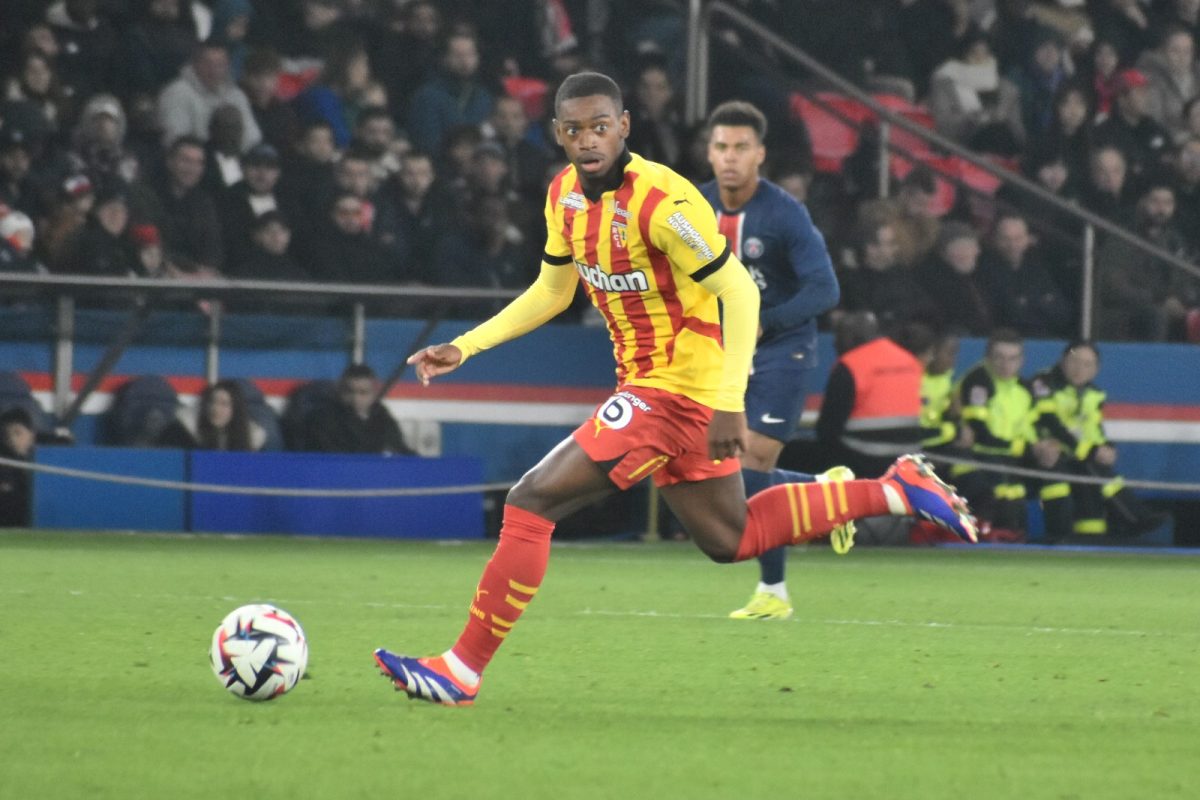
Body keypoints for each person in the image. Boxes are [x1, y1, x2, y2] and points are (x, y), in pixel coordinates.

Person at [376, 72, 977, 707]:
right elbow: (553, 291)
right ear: (557, 134)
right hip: (654, 388)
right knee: (730, 539)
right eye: (574, 129)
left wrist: (728, 400)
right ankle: (894, 490)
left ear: (624, 127)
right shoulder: (562, 199)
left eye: (600, 126)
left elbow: (739, 291)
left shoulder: (664, 200)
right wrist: (464, 346)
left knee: (530, 503)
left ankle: (461, 669)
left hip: (675, 392)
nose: (588, 140)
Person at [694, 100, 844, 621]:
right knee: (720, 471)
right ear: (709, 153)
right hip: (716, 351)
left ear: (760, 154)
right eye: (720, 147)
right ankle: (827, 495)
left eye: (740, 148)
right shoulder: (692, 208)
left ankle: (773, 592)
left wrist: (767, 321)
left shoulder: (784, 213)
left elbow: (825, 288)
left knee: (753, 461)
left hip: (783, 348)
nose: (730, 157)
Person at [1030, 340, 1168, 541]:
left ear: (1096, 370)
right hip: (1041, 454)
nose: (1080, 369)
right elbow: (1050, 423)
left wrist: (1106, 448)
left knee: (1095, 473)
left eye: (1087, 365)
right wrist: (1092, 450)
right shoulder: (1043, 382)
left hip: (1074, 457)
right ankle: (1134, 519)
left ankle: (1094, 539)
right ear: (1063, 361)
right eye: (1075, 361)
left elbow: (1094, 430)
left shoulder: (1093, 394)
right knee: (1087, 468)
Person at [953, 329, 1056, 538]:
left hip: (1010, 460)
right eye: (998, 357)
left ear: (1022, 361)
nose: (1005, 364)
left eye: (1012, 358)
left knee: (1038, 488)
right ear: (987, 358)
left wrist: (1043, 446)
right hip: (976, 458)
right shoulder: (978, 381)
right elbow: (980, 433)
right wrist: (1025, 448)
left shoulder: (1025, 389)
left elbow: (1031, 428)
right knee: (1002, 493)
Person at [302, 364, 412, 455]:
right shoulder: (323, 419)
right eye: (349, 391)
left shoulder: (382, 417)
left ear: (374, 393)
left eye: (363, 392)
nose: (355, 398)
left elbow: (398, 449)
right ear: (339, 390)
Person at [157, 379, 266, 451]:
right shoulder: (180, 432)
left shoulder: (251, 440)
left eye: (224, 404)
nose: (216, 409)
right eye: (212, 402)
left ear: (236, 410)